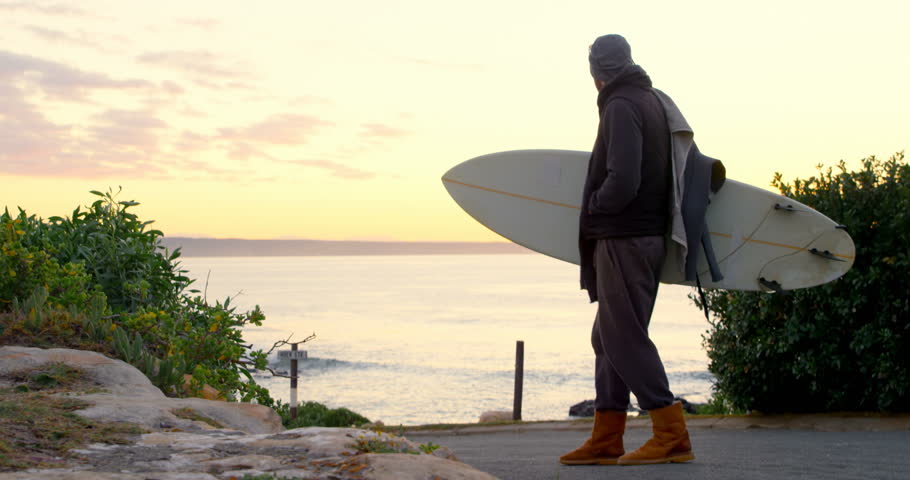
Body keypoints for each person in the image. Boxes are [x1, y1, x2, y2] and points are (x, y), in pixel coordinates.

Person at [559, 34, 695, 466]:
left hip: (624, 237)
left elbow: (623, 180)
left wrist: (596, 207)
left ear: (596, 73)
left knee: (624, 337)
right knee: (608, 337)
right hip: (646, 236)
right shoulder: (651, 99)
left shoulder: (620, 106)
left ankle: (671, 431)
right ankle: (607, 435)